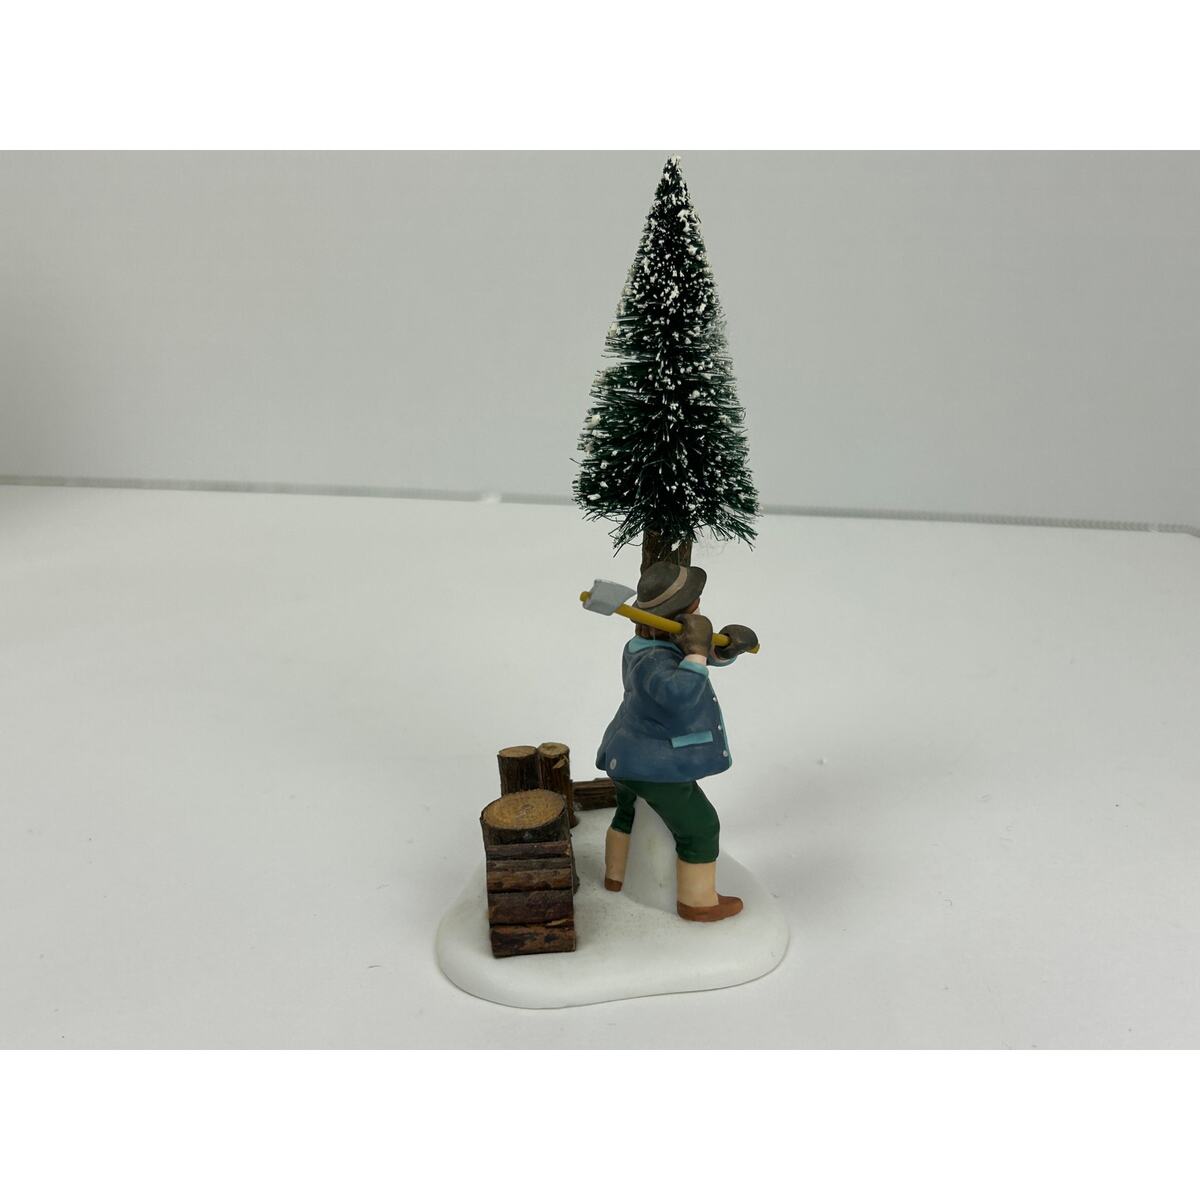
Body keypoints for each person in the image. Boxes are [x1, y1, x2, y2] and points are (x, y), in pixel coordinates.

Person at [595, 560, 757, 922]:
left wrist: (722, 651)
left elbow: (687, 657)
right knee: (700, 826)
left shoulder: (642, 645)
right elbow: (680, 692)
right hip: (655, 765)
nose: (699, 610)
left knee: (626, 813)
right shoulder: (652, 661)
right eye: (695, 605)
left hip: (627, 756)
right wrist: (698, 651)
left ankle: (615, 874)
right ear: (681, 614)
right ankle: (698, 902)